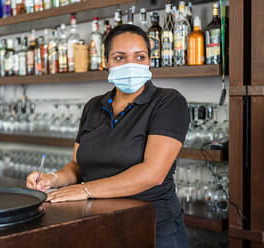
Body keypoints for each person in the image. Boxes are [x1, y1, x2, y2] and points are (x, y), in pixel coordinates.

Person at [27, 24, 190, 248]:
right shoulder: (94, 106)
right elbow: (77, 165)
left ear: (150, 61)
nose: (130, 64)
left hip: (153, 227)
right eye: (120, 57)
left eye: (139, 57)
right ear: (106, 63)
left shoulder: (169, 102)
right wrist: (52, 178)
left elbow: (153, 174)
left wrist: (85, 190)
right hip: (100, 223)